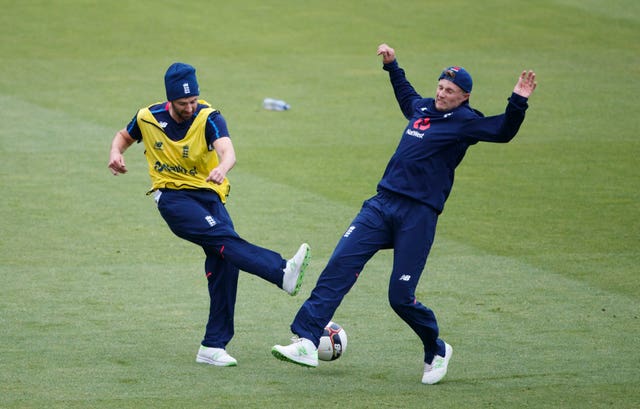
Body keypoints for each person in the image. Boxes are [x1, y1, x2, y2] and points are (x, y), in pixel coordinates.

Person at [271, 44, 537, 384]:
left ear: (464, 97)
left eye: (450, 91)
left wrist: (518, 101)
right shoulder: (423, 108)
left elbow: (503, 131)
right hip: (381, 205)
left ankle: (436, 348)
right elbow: (406, 96)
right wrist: (392, 66)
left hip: (418, 216)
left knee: (400, 297)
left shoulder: (465, 123)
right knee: (340, 265)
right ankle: (306, 340)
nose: (442, 93)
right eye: (441, 86)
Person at [108, 62, 311, 367]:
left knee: (225, 265)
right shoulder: (147, 117)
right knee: (224, 240)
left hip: (211, 196)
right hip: (174, 198)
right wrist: (116, 152)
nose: (190, 107)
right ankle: (281, 271)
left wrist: (222, 167)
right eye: (182, 103)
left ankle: (212, 346)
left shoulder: (209, 117)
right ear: (170, 100)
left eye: (193, 101)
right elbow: (124, 135)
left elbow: (228, 151)